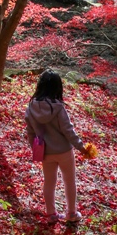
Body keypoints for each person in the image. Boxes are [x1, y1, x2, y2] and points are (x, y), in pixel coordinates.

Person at [25, 69, 90, 224]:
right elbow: (68, 131)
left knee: (49, 182)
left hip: (45, 151)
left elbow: (30, 132)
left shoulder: (31, 108)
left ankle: (51, 214)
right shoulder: (58, 107)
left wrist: (35, 149)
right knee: (69, 181)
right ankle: (72, 214)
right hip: (64, 151)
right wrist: (82, 148)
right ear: (57, 87)